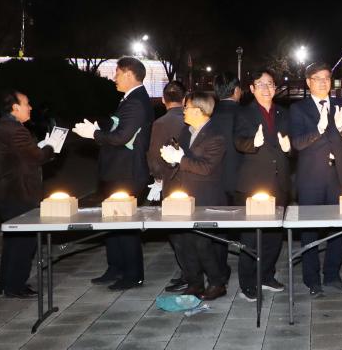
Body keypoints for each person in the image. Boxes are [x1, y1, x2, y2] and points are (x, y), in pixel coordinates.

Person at [74, 57, 154, 291]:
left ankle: (132, 274)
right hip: (118, 171)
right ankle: (116, 267)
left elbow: (122, 137)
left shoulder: (137, 102)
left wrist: (94, 135)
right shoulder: (130, 99)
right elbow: (117, 126)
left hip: (127, 172)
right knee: (113, 222)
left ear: (129, 74)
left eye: (117, 73)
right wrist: (99, 126)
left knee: (125, 225)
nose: (114, 77)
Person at [290, 62, 342, 297]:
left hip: (338, 176)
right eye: (317, 78)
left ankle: (332, 275)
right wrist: (318, 130)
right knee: (310, 230)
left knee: (338, 229)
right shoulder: (298, 109)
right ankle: (312, 279)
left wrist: (341, 127)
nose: (323, 82)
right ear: (308, 82)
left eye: (327, 78)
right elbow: (296, 143)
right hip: (311, 178)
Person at [160, 92, 228, 300]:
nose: (184, 111)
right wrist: (171, 160)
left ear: (199, 110)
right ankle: (194, 282)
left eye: (187, 107)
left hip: (205, 196)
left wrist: (179, 159)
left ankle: (217, 283)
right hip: (183, 195)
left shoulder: (216, 135)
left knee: (202, 243)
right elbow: (180, 157)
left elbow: (207, 168)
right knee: (182, 241)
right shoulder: (186, 131)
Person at [234, 68, 292, 300]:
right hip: (254, 184)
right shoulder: (244, 113)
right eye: (261, 84)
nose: (266, 88)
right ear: (252, 88)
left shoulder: (283, 113)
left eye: (270, 84)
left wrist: (290, 149)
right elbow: (238, 141)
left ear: (275, 88)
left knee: (273, 236)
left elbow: (291, 142)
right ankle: (248, 283)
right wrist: (252, 143)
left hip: (280, 182)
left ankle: (266, 275)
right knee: (251, 239)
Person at [0, 90, 56, 298]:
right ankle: (15, 285)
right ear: (15, 108)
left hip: (9, 193)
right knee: (24, 242)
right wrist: (51, 146)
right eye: (26, 104)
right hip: (19, 193)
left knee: (13, 240)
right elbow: (36, 157)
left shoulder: (5, 127)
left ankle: (7, 282)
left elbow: (22, 156)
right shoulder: (15, 130)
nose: (30, 107)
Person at [147, 81, 188, 292]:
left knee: (177, 231)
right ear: (185, 98)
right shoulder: (193, 118)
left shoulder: (160, 123)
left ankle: (187, 272)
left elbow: (154, 157)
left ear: (163, 100)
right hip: (195, 179)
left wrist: (157, 178)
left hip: (172, 182)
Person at [207, 72, 242, 286]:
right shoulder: (245, 113)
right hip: (242, 179)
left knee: (217, 230)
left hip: (216, 180)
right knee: (250, 229)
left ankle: (219, 272)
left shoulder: (210, 116)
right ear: (237, 91)